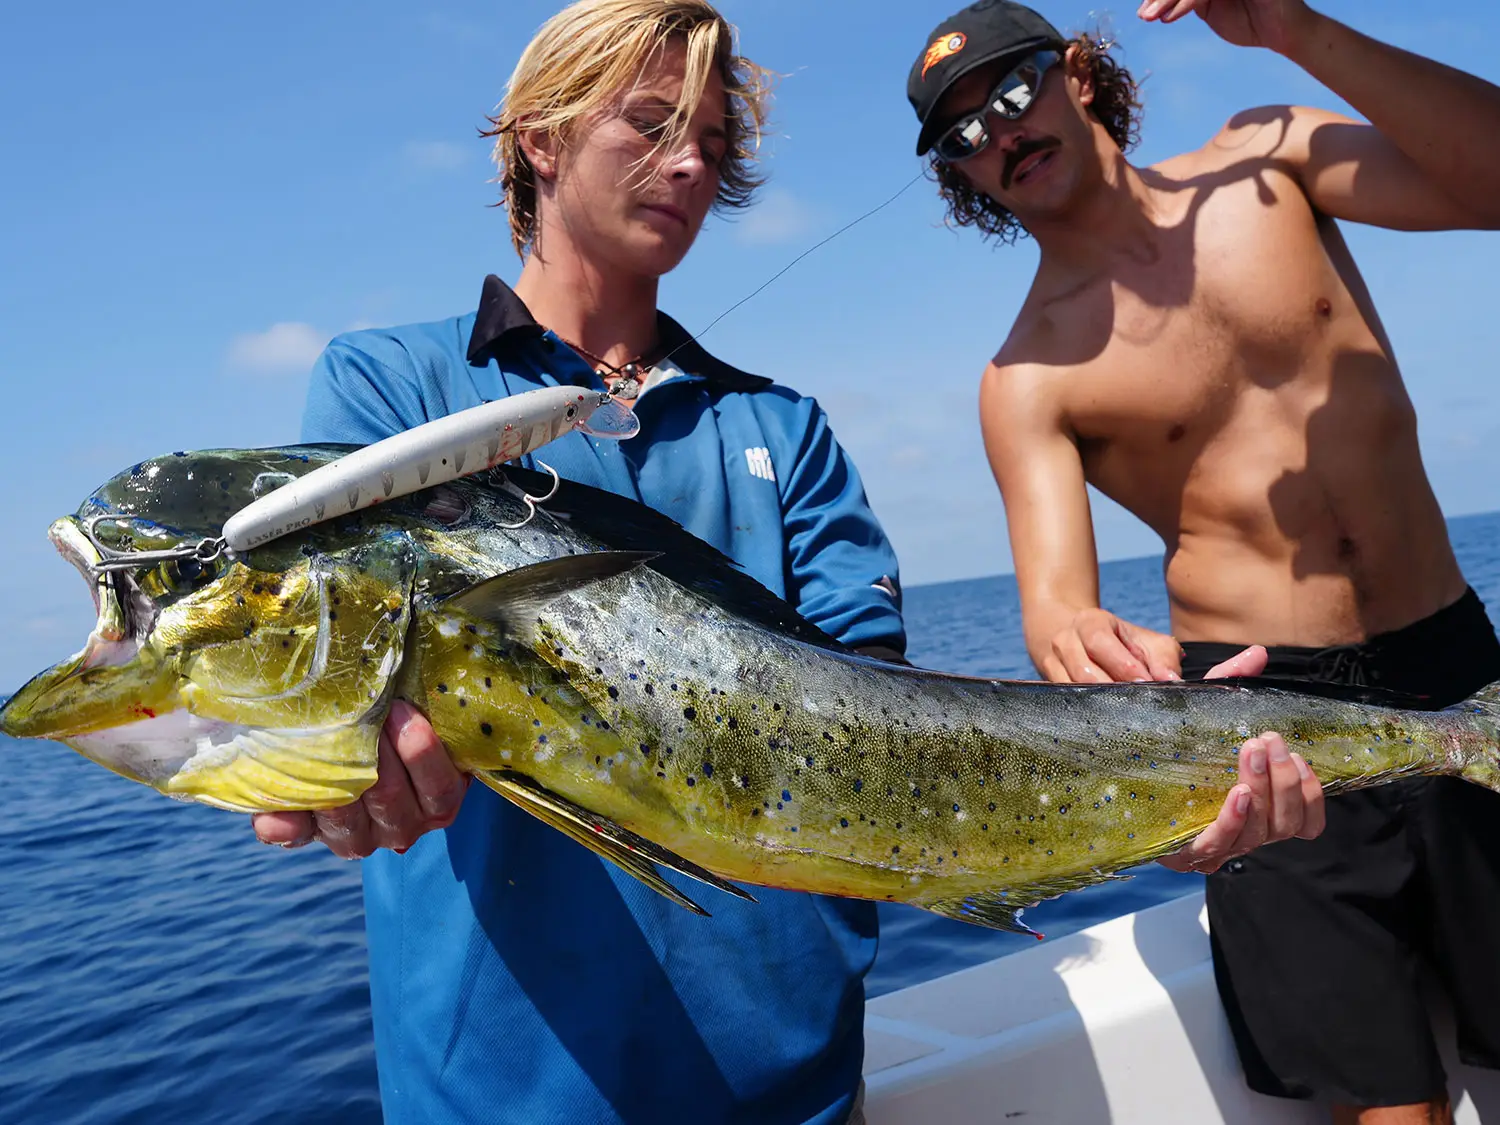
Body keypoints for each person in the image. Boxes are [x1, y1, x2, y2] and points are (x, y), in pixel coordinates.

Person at [249, 3, 1323, 1122]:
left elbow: (894, 730)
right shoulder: (391, 391)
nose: (689, 166)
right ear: (541, 139)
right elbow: (333, 664)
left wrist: (1169, 774)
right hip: (508, 1094)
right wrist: (332, 767)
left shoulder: (786, 430)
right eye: (650, 124)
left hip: (796, 1086)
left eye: (712, 143)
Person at [907, 0, 1500, 1121]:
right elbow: (1055, 614)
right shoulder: (1027, 374)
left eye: (1013, 91)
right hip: (1269, 729)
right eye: (962, 135)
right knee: (1391, 1108)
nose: (997, 132)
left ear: (1078, 72)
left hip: (1456, 662)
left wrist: (1289, 24)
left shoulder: (1267, 160)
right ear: (960, 180)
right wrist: (1092, 654)